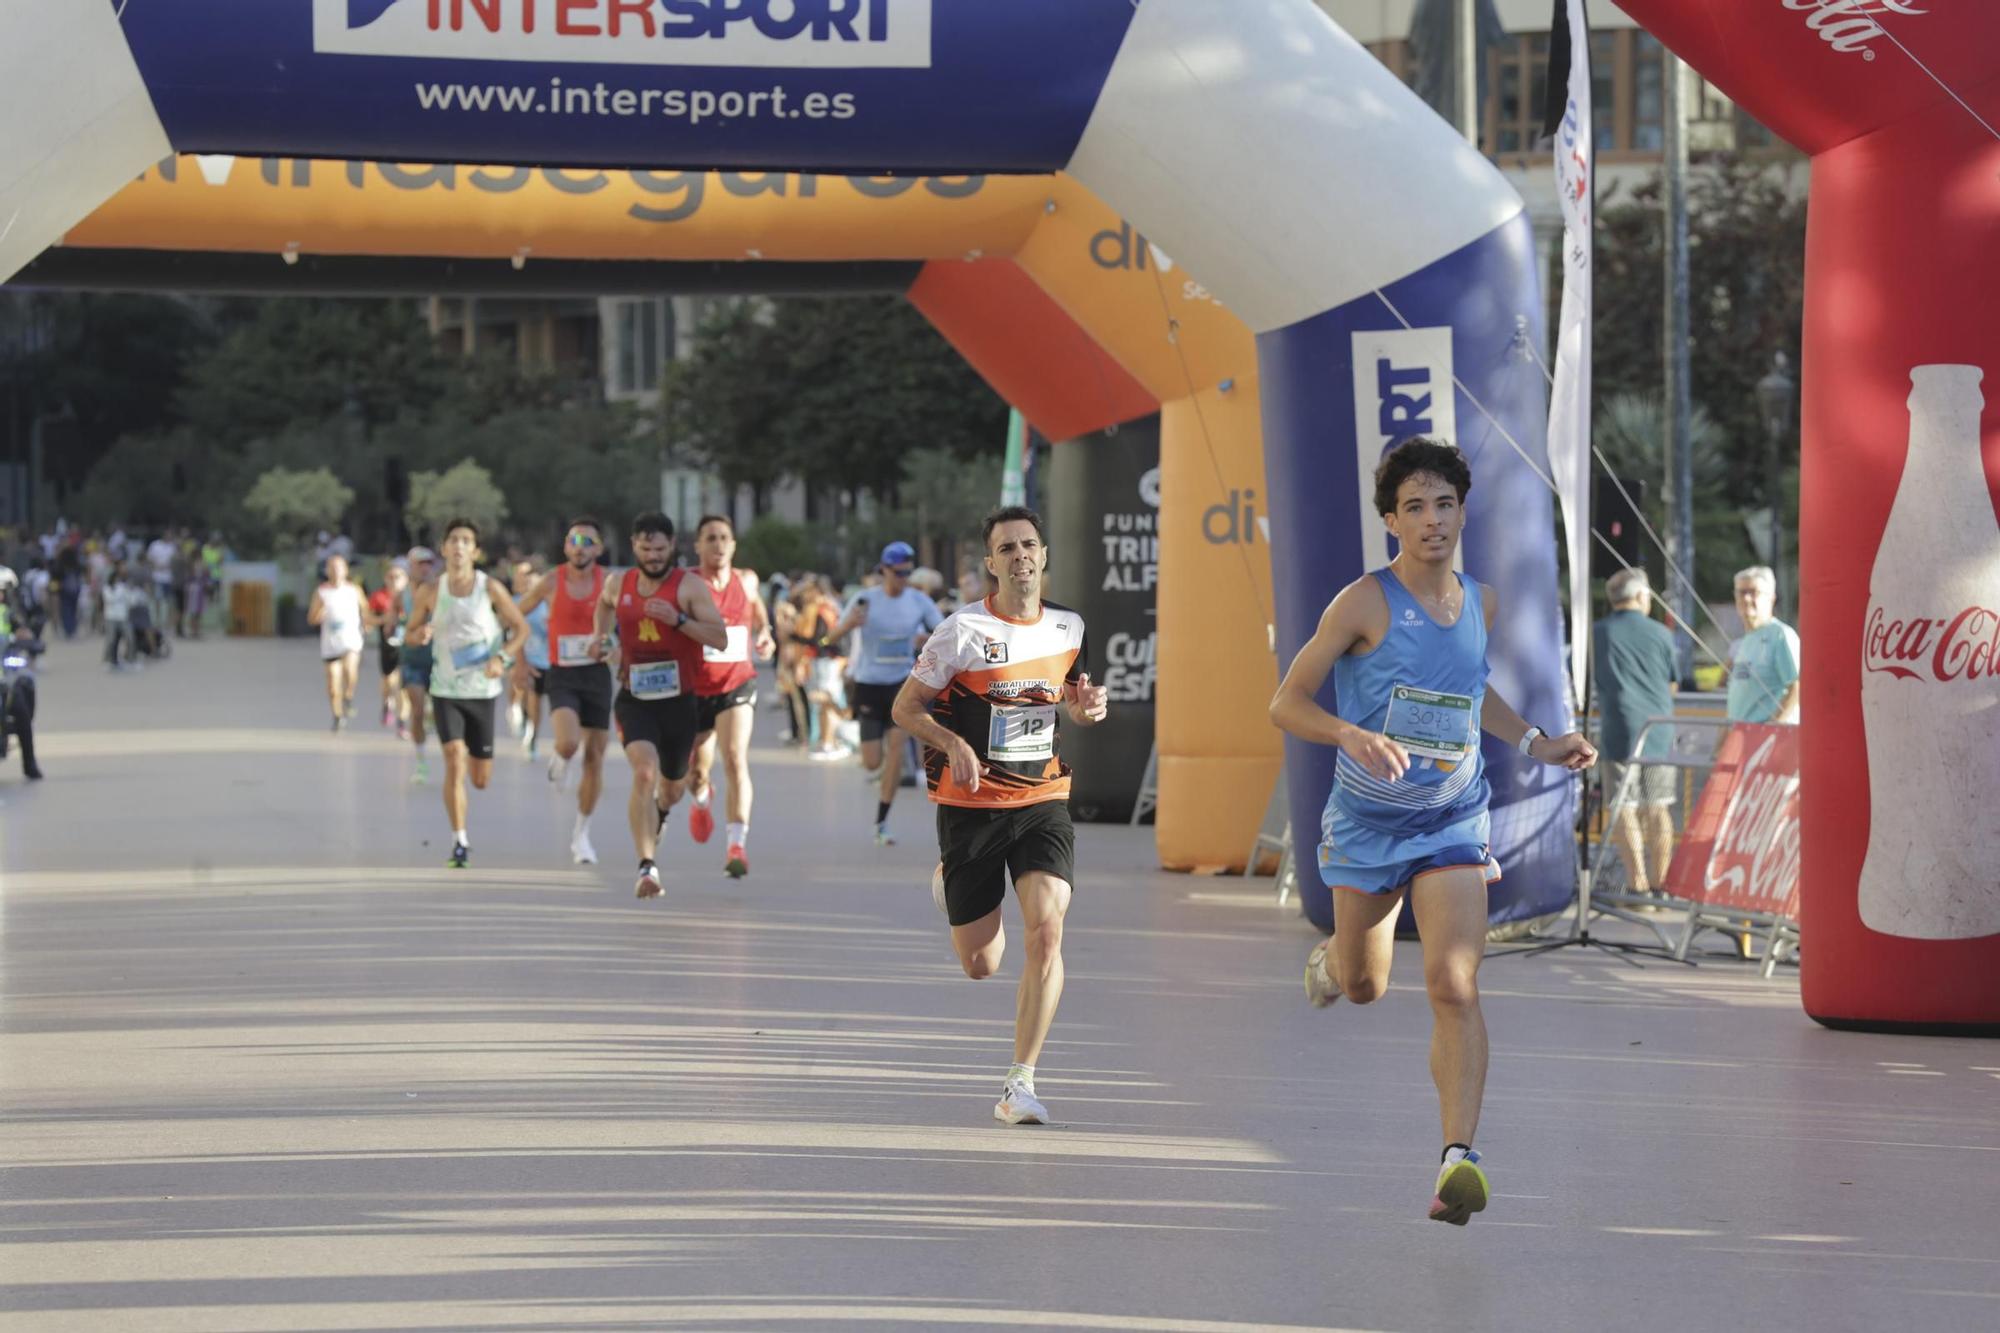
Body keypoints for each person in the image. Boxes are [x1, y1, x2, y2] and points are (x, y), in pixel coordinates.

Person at [1268, 438, 1595, 1227]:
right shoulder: (1362, 603)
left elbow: (1471, 691)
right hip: (1367, 823)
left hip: (1452, 816)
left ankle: (1458, 1159)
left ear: (1461, 511)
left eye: (1443, 503)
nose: (1432, 519)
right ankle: (1333, 958)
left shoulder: (1478, 601)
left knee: (1454, 983)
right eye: (1414, 506)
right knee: (1364, 984)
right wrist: (1350, 734)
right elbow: (1288, 701)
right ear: (1391, 521)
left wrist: (1537, 742)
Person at [890, 506, 1108, 1127]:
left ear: (1044, 555)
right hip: (971, 807)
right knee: (981, 963)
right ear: (990, 563)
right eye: (1006, 548)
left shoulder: (1069, 626)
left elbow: (1071, 701)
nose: (1020, 556)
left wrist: (1086, 707)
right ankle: (946, 881)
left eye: (1029, 545)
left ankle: (1021, 1083)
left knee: (1048, 928)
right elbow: (907, 709)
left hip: (1042, 800)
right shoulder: (960, 632)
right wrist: (951, 742)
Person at [591, 512, 727, 899]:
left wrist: (679, 620)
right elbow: (603, 605)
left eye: (660, 549)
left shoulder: (689, 588)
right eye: (646, 548)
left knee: (671, 789)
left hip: (681, 702)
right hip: (635, 699)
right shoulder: (620, 583)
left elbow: (718, 638)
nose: (653, 556)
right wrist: (600, 639)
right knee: (644, 773)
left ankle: (661, 815)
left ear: (673, 548)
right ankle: (646, 867)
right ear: (634, 545)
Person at [404, 520, 530, 869]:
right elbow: (410, 632)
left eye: (466, 541)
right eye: (453, 541)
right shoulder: (431, 590)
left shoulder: (489, 588)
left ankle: (466, 817)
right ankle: (460, 840)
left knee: (480, 778)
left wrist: (502, 658)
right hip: (445, 689)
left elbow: (521, 628)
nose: (459, 547)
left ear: (475, 551)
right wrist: (420, 634)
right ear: (444, 549)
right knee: (454, 759)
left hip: (483, 690)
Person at [517, 518, 616, 866]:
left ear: (599, 549)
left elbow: (628, 624)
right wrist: (518, 660)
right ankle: (560, 756)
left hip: (598, 676)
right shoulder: (551, 581)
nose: (580, 546)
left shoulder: (610, 583)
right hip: (562, 674)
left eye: (588, 541)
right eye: (574, 540)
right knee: (569, 742)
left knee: (595, 759)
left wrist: (613, 645)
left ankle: (581, 835)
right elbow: (516, 616)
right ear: (565, 547)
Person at [830, 541, 942, 846]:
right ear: (884, 570)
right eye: (898, 572)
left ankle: (881, 821)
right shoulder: (865, 600)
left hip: (901, 684)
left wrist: (927, 638)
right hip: (868, 685)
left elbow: (945, 631)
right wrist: (850, 624)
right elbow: (829, 638)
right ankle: (877, 784)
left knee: (896, 749)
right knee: (870, 761)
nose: (903, 577)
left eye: (907, 572)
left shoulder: (918, 601)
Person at [684, 515, 777, 879]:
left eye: (724, 538)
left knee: (736, 758)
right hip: (695, 687)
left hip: (736, 682)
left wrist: (765, 631)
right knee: (696, 771)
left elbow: (755, 608)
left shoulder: (747, 579)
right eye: (710, 538)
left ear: (733, 545)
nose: (718, 545)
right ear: (698, 545)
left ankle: (736, 845)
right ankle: (701, 796)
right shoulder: (688, 583)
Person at [1591, 567, 1680, 900]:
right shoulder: (1662, 634)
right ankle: (1662, 885)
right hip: (1658, 731)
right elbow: (1671, 682)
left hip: (1617, 731)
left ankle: (1636, 883)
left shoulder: (1598, 633)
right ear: (1642, 596)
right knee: (1658, 807)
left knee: (1623, 807)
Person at [1725, 565, 1800, 725]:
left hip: (1770, 740)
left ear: (1771, 598)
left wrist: (1771, 728)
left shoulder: (1780, 635)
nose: (1746, 599)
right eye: (1741, 592)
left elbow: (1797, 687)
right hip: (1741, 735)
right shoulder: (1745, 640)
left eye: (1754, 592)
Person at [309, 554, 367, 730]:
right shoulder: (321, 592)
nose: (335, 571)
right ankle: (337, 714)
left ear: (345, 570)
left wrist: (368, 623)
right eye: (331, 567)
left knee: (350, 670)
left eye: (339, 567)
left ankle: (348, 696)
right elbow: (311, 618)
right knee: (333, 683)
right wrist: (319, 616)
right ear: (326, 571)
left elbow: (365, 609)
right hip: (331, 643)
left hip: (351, 641)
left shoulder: (354, 590)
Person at [400, 547, 439, 783]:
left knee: (435, 710)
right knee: (416, 710)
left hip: (438, 659)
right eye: (420, 564)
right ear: (410, 566)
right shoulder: (402, 594)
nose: (425, 568)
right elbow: (393, 619)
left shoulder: (440, 591)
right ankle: (421, 760)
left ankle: (431, 716)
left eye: (428, 564)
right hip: (412, 658)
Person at [510, 557, 550, 759]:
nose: (527, 581)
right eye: (523, 576)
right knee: (522, 688)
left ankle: (532, 735)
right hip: (523, 656)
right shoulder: (517, 603)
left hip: (546, 660)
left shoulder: (548, 603)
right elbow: (512, 629)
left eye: (531, 577)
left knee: (536, 700)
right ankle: (517, 710)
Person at [366, 560, 412, 734]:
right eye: (390, 577)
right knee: (388, 681)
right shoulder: (379, 597)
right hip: (387, 647)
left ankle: (402, 722)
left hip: (407, 646)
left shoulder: (412, 597)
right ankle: (386, 703)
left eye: (398, 576)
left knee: (402, 685)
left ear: (406, 579)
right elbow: (367, 619)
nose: (394, 580)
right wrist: (383, 620)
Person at [2, 615, 46, 780]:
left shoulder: (4, 612)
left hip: (4, 681)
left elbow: (23, 632)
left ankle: (29, 764)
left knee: (21, 710)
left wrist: (26, 639)